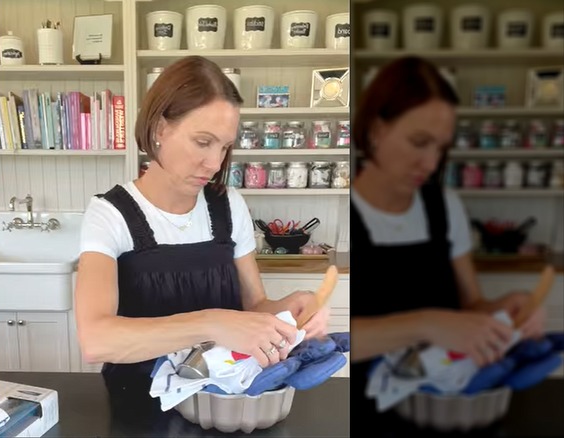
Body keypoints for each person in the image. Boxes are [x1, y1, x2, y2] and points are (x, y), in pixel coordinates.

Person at [74, 55, 332, 411]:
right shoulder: (110, 215)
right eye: (202, 141)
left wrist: (289, 308)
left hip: (225, 402)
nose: (214, 163)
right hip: (140, 406)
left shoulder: (229, 206)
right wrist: (213, 324)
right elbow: (97, 340)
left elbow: (255, 306)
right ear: (160, 128)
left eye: (224, 146)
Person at [349, 56, 547, 433]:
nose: (430, 161)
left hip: (444, 406)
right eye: (419, 142)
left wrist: (504, 309)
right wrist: (427, 324)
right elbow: (343, 341)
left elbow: (471, 304)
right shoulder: (348, 211)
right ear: (376, 129)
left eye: (440, 147)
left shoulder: (444, 206)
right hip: (366, 411)